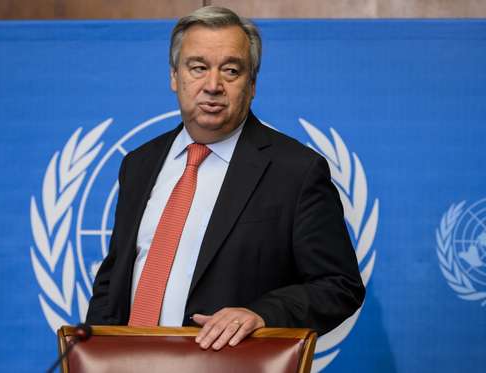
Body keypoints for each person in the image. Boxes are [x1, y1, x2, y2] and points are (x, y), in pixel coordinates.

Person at [86, 6, 365, 351]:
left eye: (231, 71)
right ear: (175, 76)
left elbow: (339, 285)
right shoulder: (138, 164)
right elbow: (114, 278)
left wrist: (262, 315)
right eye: (198, 68)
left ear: (252, 84)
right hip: (129, 360)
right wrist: (94, 353)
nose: (213, 85)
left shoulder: (296, 171)